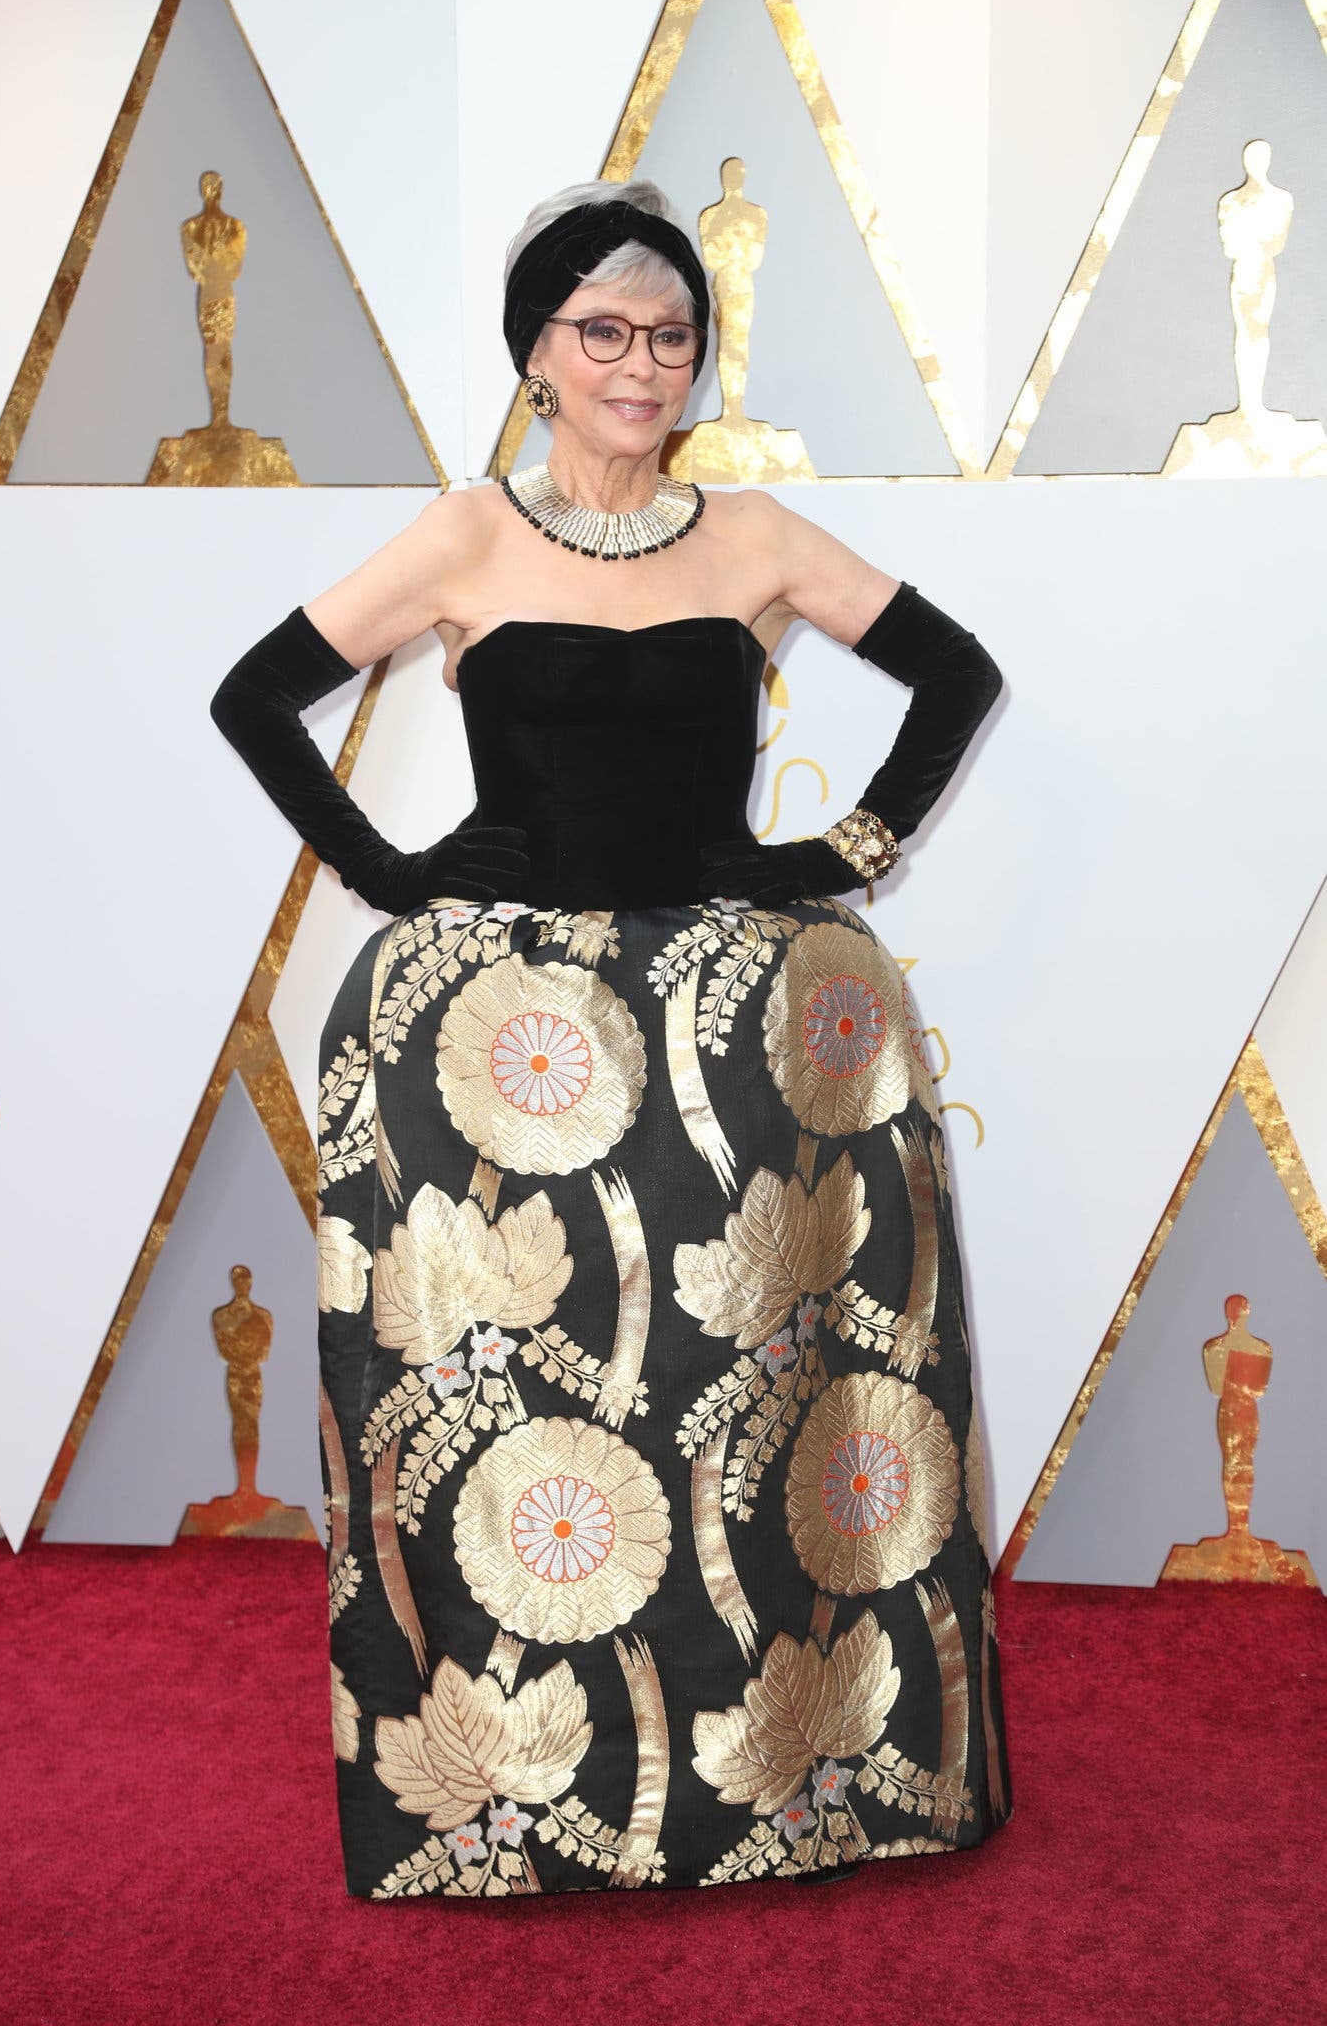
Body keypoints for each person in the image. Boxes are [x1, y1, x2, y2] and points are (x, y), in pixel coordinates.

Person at [209, 177, 1013, 1900]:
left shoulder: (760, 536)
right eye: (603, 333)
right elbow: (252, 699)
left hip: (736, 1024)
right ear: (538, 357)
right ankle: (501, 1793)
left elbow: (955, 675)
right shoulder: (466, 536)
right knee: (516, 1396)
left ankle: (799, 1767)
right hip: (504, 1030)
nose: (640, 365)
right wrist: (390, 875)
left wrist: (836, 857)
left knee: (757, 1395)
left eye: (669, 335)